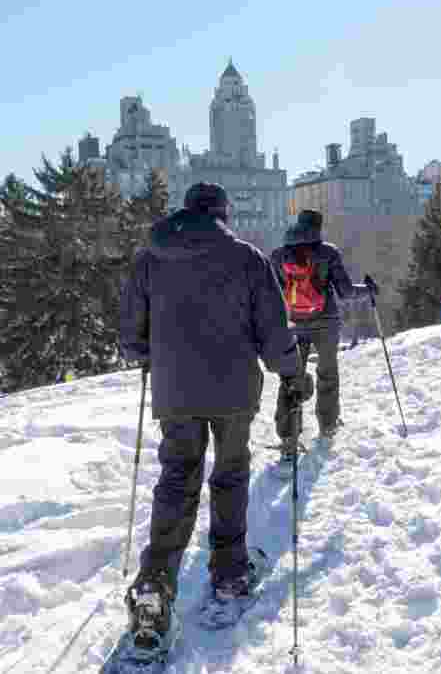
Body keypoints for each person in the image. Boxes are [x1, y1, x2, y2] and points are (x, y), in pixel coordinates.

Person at [119, 182, 307, 650]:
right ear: (223, 214)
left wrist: (149, 354)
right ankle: (228, 573)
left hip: (174, 391)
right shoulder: (246, 258)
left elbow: (130, 334)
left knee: (177, 479)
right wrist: (291, 372)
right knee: (229, 475)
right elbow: (272, 327)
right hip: (233, 390)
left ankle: (155, 584)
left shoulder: (150, 259)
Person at [269, 209, 376, 449]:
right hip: (326, 323)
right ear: (318, 227)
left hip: (293, 324)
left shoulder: (278, 255)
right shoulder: (328, 252)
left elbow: (273, 294)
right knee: (327, 374)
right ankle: (327, 425)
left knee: (291, 377)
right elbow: (346, 292)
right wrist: (368, 289)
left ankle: (288, 435)